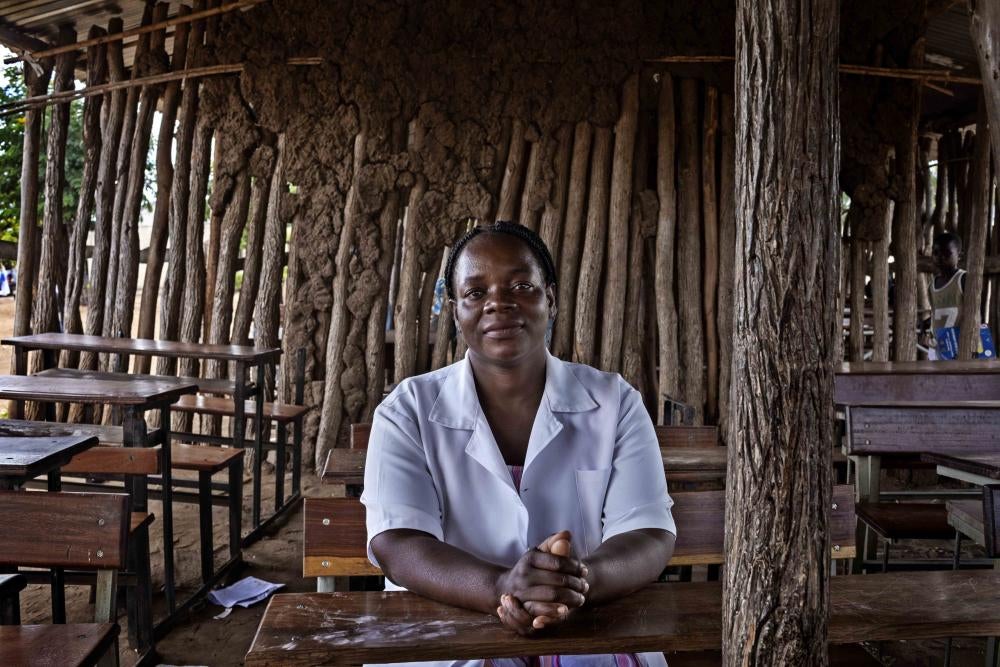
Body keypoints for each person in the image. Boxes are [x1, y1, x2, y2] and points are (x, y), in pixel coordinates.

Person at [361, 221, 677, 667]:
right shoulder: (406, 411)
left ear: (551, 298)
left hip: (587, 624)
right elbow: (397, 541)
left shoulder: (614, 402)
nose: (498, 303)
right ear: (455, 312)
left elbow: (648, 532)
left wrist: (576, 584)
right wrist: (501, 586)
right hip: (449, 633)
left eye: (521, 285)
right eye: (475, 292)